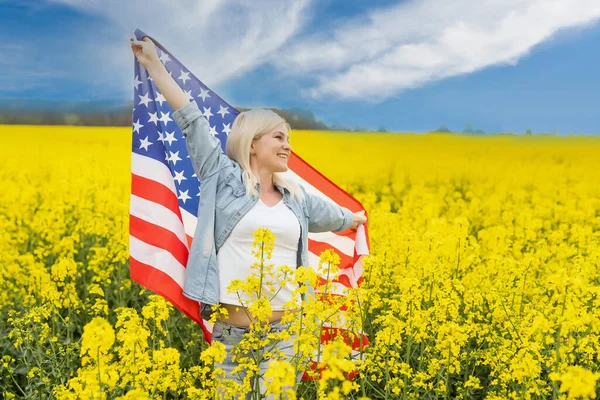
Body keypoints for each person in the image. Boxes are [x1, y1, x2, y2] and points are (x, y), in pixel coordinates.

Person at [130, 36, 367, 398]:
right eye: (278, 137)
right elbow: (190, 119)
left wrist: (356, 220)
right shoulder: (221, 177)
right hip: (232, 335)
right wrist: (154, 66)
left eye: (288, 139)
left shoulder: (297, 198)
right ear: (252, 142)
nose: (287, 145)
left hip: (286, 337)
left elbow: (338, 217)